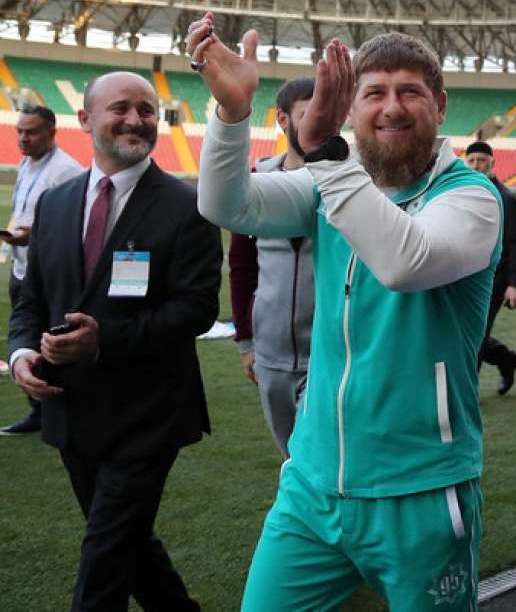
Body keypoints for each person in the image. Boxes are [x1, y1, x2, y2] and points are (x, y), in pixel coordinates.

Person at [188, 12, 501, 610]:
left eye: (409, 91)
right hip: (312, 483)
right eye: (373, 93)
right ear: (351, 109)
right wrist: (231, 115)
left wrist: (328, 156)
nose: (391, 107)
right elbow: (227, 204)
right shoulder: (325, 189)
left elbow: (405, 260)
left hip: (422, 489)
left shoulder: (471, 197)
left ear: (439, 105)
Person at [7, 71, 221, 610]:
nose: (136, 120)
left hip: (148, 414)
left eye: (147, 110)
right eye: (120, 108)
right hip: (70, 410)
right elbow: (31, 299)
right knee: (129, 547)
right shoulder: (54, 204)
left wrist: (106, 340)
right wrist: (21, 353)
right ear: (85, 120)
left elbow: (196, 309)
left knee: (103, 558)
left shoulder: (187, 205)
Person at [228, 77, 316, 457]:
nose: (321, 123)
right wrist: (247, 341)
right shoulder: (255, 183)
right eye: (309, 114)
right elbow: (242, 266)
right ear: (282, 119)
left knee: (322, 458)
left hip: (330, 354)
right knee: (291, 456)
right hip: (271, 354)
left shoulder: (351, 183)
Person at [0, 104, 83, 436]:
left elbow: (74, 226)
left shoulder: (67, 171)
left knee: (50, 340)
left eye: (31, 131)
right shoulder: (26, 164)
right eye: (20, 130)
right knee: (27, 336)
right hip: (22, 267)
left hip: (48, 273)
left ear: (52, 133)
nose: (23, 137)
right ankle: (38, 408)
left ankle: (51, 408)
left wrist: (30, 237)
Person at [463, 140, 516, 395]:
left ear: (492, 164)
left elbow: (515, 244)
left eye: (482, 161)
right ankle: (507, 359)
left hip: (493, 281)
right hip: (462, 275)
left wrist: (514, 284)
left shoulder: (505, 199)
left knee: (474, 338)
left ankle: (465, 397)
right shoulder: (459, 191)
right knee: (464, 332)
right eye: (472, 160)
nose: (477, 165)